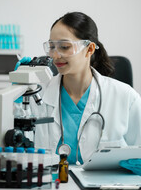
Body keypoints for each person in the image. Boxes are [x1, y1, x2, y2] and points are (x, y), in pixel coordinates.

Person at [15, 12, 141, 168]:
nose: (55, 55)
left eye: (65, 47)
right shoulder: (35, 95)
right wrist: (17, 93)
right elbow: (13, 149)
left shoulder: (126, 97)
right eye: (52, 47)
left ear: (89, 49)